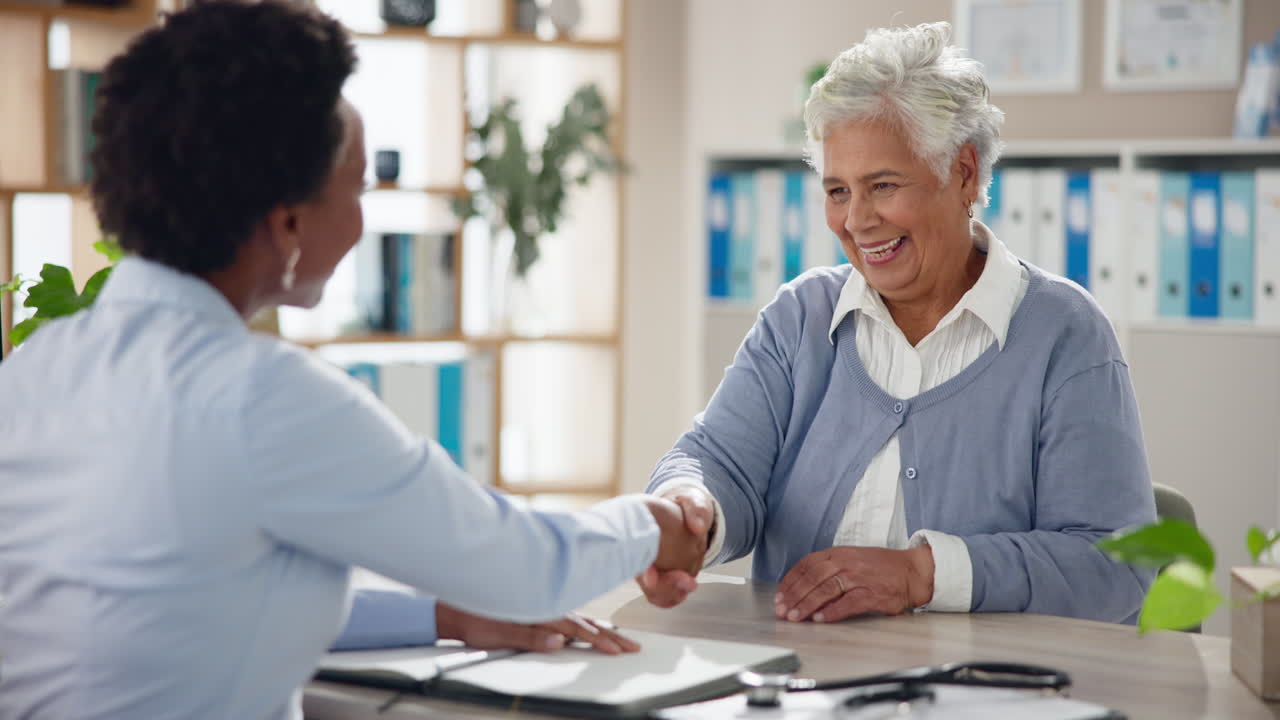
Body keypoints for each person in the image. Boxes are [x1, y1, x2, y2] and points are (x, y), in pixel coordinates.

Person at [0, 3, 705, 718]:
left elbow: (189, 597)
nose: (366, 219)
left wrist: (442, 618)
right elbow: (523, 567)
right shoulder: (262, 397)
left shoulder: (34, 371)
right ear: (288, 225)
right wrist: (653, 524)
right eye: (360, 187)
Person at [642, 21, 1155, 625]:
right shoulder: (799, 318)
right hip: (801, 688)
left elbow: (1113, 567)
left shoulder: (1065, 334)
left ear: (963, 173)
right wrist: (687, 509)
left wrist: (921, 574)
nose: (856, 220)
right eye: (837, 190)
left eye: (882, 186)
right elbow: (716, 461)